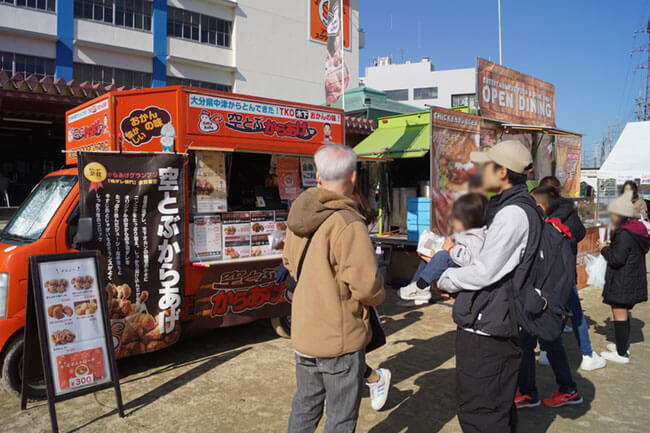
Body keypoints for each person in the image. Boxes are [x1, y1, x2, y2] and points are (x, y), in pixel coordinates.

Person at [437, 140, 542, 433]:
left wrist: (446, 278)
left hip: (487, 327)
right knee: (496, 407)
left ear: (504, 172)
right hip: (496, 320)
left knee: (480, 412)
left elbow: (485, 271)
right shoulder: (515, 207)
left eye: (487, 166)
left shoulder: (512, 214)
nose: (481, 170)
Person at [284, 144, 386, 433]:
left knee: (305, 405)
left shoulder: (298, 213)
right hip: (339, 337)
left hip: (304, 332)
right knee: (341, 417)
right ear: (352, 177)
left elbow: (290, 263)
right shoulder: (348, 223)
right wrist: (380, 292)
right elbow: (367, 287)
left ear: (317, 177)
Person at [515, 186, 583, 409]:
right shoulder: (560, 228)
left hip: (543, 302)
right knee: (545, 343)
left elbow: (541, 271)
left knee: (532, 343)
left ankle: (533, 392)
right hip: (550, 300)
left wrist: (539, 300)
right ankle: (564, 389)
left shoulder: (548, 232)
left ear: (540, 207)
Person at [538, 176, 606, 371]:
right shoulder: (568, 210)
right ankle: (586, 354)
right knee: (576, 311)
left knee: (543, 309)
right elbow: (581, 234)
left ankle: (544, 352)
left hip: (543, 271)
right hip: (565, 271)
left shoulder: (538, 212)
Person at [398, 194, 488, 304]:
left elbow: (469, 259)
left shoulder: (477, 236)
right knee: (430, 258)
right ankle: (416, 291)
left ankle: (420, 286)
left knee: (442, 256)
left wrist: (450, 249)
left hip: (463, 266)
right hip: (454, 258)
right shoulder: (465, 231)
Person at [351, 186, 392, 411]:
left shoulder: (355, 233)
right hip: (337, 308)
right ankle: (374, 378)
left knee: (347, 354)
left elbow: (369, 286)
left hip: (352, 309)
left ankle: (375, 378)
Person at [598, 191, 650, 363]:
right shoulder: (636, 229)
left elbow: (616, 259)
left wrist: (604, 248)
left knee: (619, 315)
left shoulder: (623, 233)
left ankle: (621, 353)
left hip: (623, 280)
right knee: (624, 314)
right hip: (631, 278)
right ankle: (622, 346)